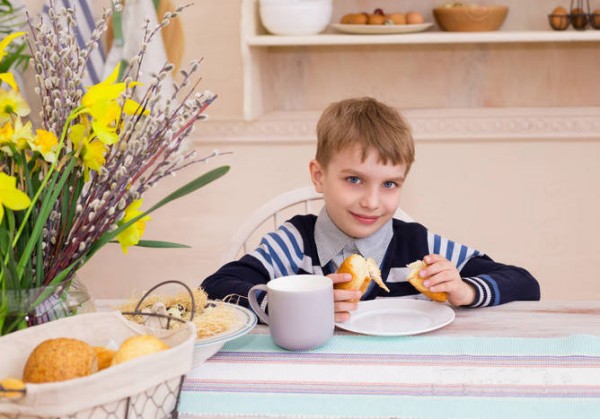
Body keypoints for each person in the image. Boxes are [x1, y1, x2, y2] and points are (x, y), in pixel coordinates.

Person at [202, 97, 540, 322]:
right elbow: (216, 288)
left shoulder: (419, 247)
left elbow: (525, 284)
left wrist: (464, 290)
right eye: (354, 179)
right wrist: (294, 305)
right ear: (319, 176)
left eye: (389, 184)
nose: (372, 202)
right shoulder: (294, 242)